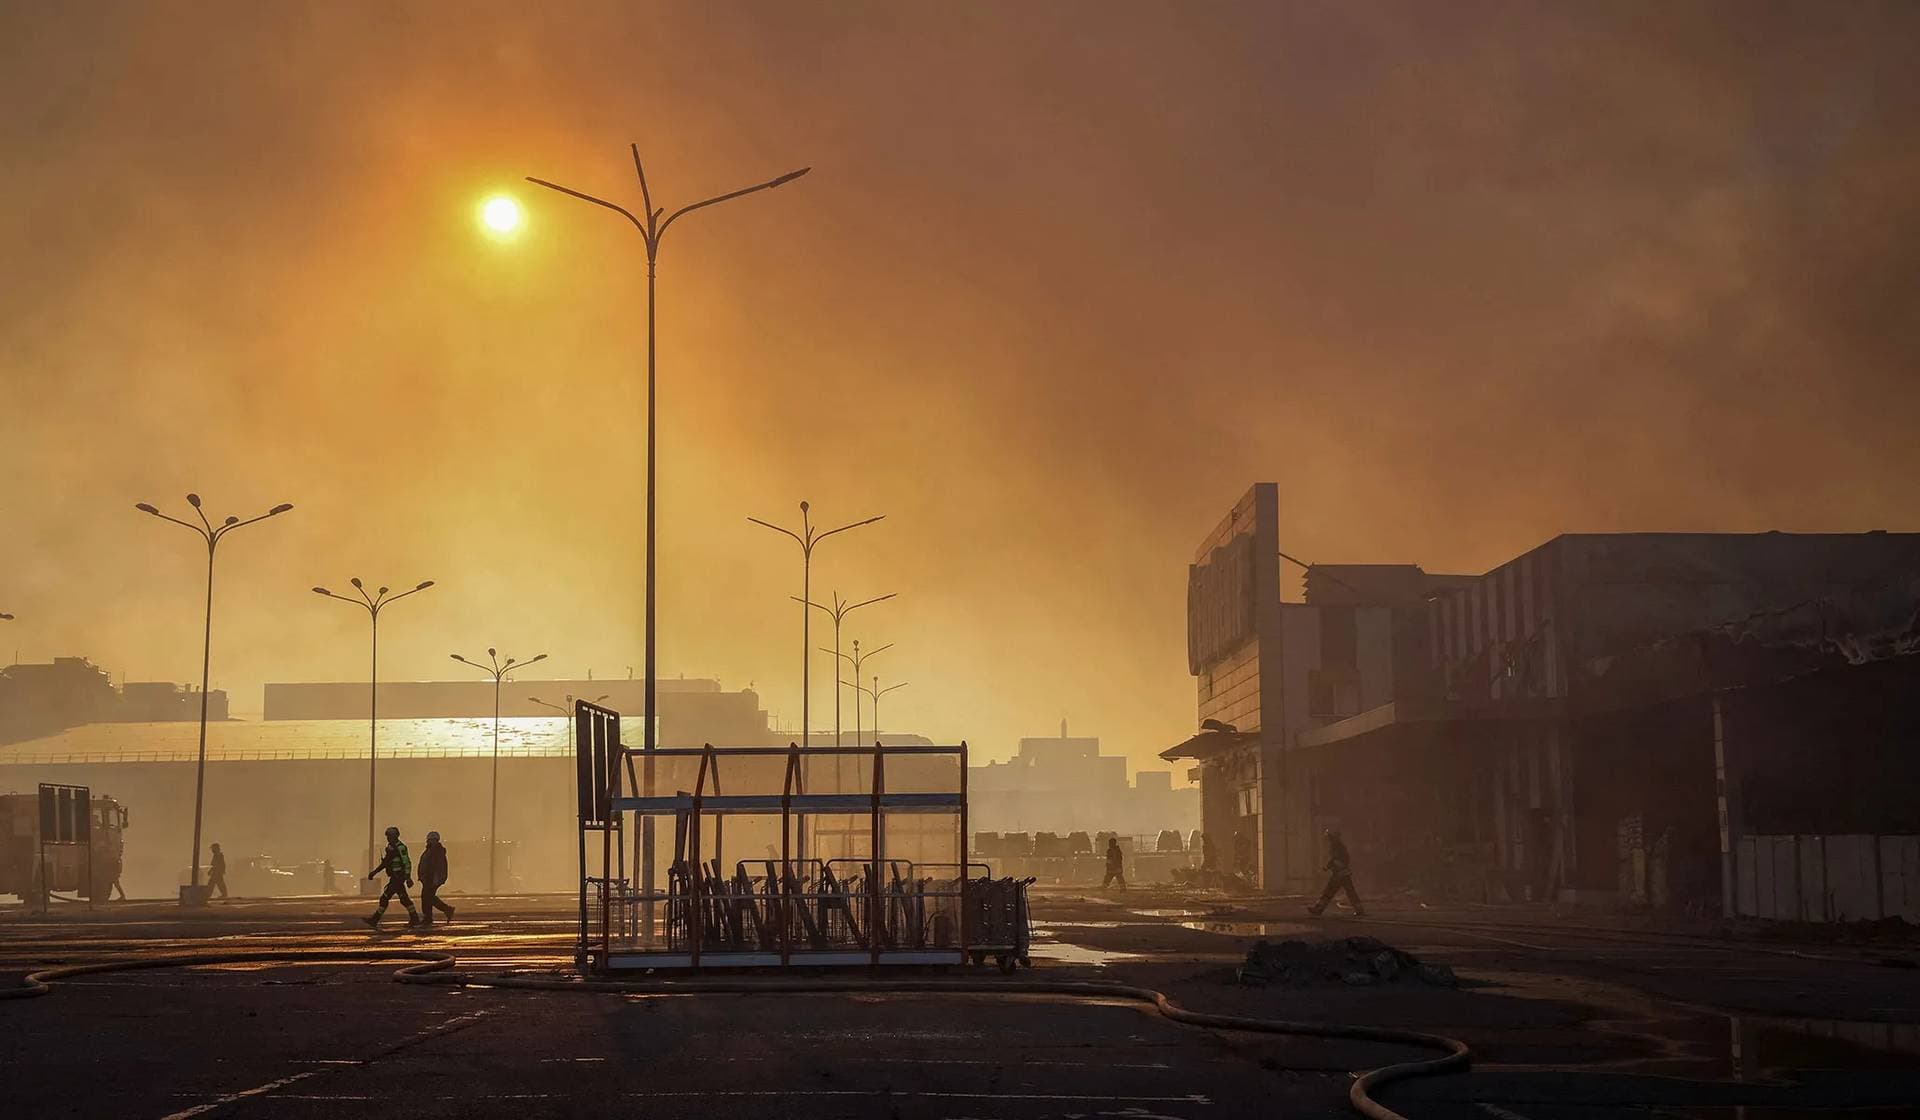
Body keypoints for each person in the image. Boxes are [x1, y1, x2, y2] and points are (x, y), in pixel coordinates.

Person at [363, 825, 421, 929]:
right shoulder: (391, 849)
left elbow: (407, 863)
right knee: (404, 899)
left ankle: (375, 919)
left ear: (396, 836)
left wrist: (407, 877)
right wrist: (374, 872)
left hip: (398, 878)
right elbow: (385, 863)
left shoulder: (400, 848)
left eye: (390, 836)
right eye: (388, 836)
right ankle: (414, 918)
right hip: (395, 878)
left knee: (384, 898)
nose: (388, 838)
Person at [1306, 827, 1365, 917]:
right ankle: (1359, 909)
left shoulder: (1336, 846)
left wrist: (1328, 866)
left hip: (1339, 874)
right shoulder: (1338, 845)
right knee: (1349, 892)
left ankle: (1318, 909)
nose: (1328, 839)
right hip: (1342, 873)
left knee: (1329, 892)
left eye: (1329, 836)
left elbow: (1337, 859)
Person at [417, 831, 455, 926]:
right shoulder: (431, 850)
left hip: (432, 877)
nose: (429, 841)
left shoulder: (436, 851)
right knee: (428, 897)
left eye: (431, 840)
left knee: (427, 897)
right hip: (428, 877)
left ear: (435, 840)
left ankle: (430, 916)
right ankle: (443, 911)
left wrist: (436, 878)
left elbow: (438, 866)